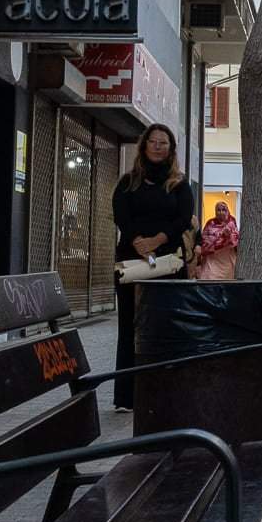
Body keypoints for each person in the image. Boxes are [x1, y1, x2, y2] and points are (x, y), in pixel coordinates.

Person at [111, 124, 198, 408]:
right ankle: (127, 396)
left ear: (171, 149)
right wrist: (138, 241)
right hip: (131, 260)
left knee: (167, 326)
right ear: (144, 145)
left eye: (164, 143)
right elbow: (121, 215)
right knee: (130, 327)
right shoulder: (128, 182)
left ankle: (166, 392)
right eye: (153, 141)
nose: (158, 147)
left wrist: (157, 240)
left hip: (168, 261)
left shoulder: (179, 184)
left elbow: (183, 218)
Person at [197, 202, 240, 279]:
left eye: (223, 210)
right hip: (212, 260)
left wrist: (227, 236)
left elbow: (235, 240)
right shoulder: (210, 223)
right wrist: (221, 236)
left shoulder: (231, 222)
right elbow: (205, 241)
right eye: (218, 210)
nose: (221, 212)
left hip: (227, 261)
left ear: (227, 211)